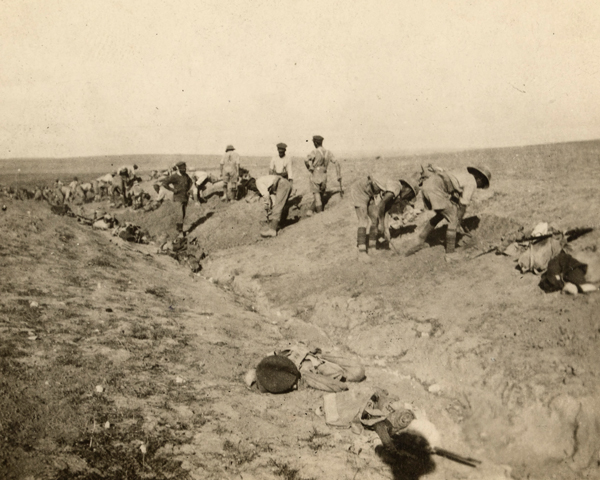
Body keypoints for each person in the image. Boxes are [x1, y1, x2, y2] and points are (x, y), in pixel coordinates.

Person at [406, 165, 491, 261]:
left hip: (428, 186)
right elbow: (463, 204)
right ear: (480, 179)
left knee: (441, 214)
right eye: (481, 184)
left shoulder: (463, 175)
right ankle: (450, 253)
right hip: (436, 189)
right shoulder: (472, 183)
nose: (479, 187)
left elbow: (454, 196)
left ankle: (421, 238)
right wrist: (458, 221)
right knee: (453, 219)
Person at [351, 175, 420, 254]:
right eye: (410, 195)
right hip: (360, 190)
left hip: (370, 192)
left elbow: (385, 209)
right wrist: (382, 224)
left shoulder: (396, 192)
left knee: (374, 219)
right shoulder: (396, 187)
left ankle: (372, 247)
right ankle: (362, 252)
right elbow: (381, 204)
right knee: (363, 220)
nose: (408, 198)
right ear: (407, 189)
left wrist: (386, 229)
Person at [304, 135, 342, 214]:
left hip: (315, 174)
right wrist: (338, 175)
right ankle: (310, 211)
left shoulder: (314, 152)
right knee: (320, 194)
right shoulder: (328, 152)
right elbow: (337, 163)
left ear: (315, 143)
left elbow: (306, 160)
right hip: (324, 175)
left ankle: (319, 214)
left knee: (317, 196)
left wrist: (310, 167)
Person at [160, 161, 193, 234]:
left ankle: (179, 229)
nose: (184, 170)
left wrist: (189, 190)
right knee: (180, 214)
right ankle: (180, 232)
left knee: (183, 214)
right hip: (178, 197)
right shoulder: (174, 176)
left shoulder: (186, 175)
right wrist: (172, 190)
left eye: (185, 168)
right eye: (182, 169)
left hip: (185, 197)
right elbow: (164, 183)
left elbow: (190, 182)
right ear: (178, 168)